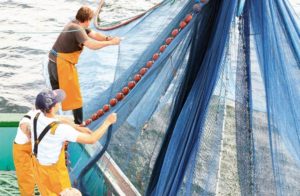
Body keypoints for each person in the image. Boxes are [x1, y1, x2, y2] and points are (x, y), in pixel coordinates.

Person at [29, 89, 117, 195]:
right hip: (55, 174)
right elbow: (91, 139)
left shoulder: (35, 115)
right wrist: (107, 122)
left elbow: (55, 118)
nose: (60, 103)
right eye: (58, 101)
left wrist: (76, 127)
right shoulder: (61, 129)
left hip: (38, 167)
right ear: (53, 107)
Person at [48, 6, 120, 124]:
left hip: (52, 63)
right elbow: (91, 45)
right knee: (76, 98)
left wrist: (107, 37)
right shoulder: (77, 30)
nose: (90, 23)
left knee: (55, 94)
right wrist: (111, 43)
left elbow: (93, 34)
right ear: (87, 20)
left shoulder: (74, 24)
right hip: (61, 66)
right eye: (90, 21)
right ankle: (79, 124)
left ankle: (48, 117)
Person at [12, 110, 39, 196]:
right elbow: (25, 127)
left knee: (40, 172)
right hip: (22, 150)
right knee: (26, 178)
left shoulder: (47, 116)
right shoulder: (27, 120)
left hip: (34, 148)